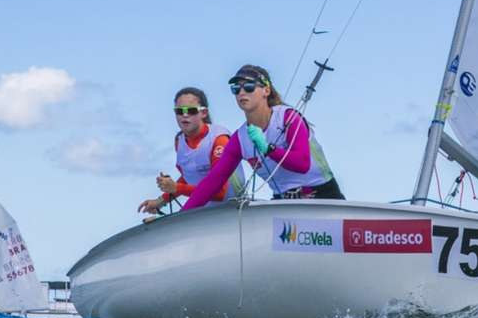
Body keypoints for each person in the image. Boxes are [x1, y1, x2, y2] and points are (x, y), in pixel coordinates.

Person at [182, 64, 344, 211]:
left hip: (323, 196)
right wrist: (182, 215)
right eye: (236, 88)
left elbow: (302, 164)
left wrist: (268, 148)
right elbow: (213, 182)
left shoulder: (288, 118)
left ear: (266, 91)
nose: (242, 92)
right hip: (284, 203)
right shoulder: (240, 139)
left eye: (249, 86)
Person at [138, 87, 245, 214]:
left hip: (232, 211)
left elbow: (220, 192)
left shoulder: (219, 139)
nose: (185, 115)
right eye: (179, 111)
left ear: (204, 113)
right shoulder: (179, 140)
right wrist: (160, 201)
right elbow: (190, 175)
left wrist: (176, 187)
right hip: (202, 213)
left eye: (191, 110)